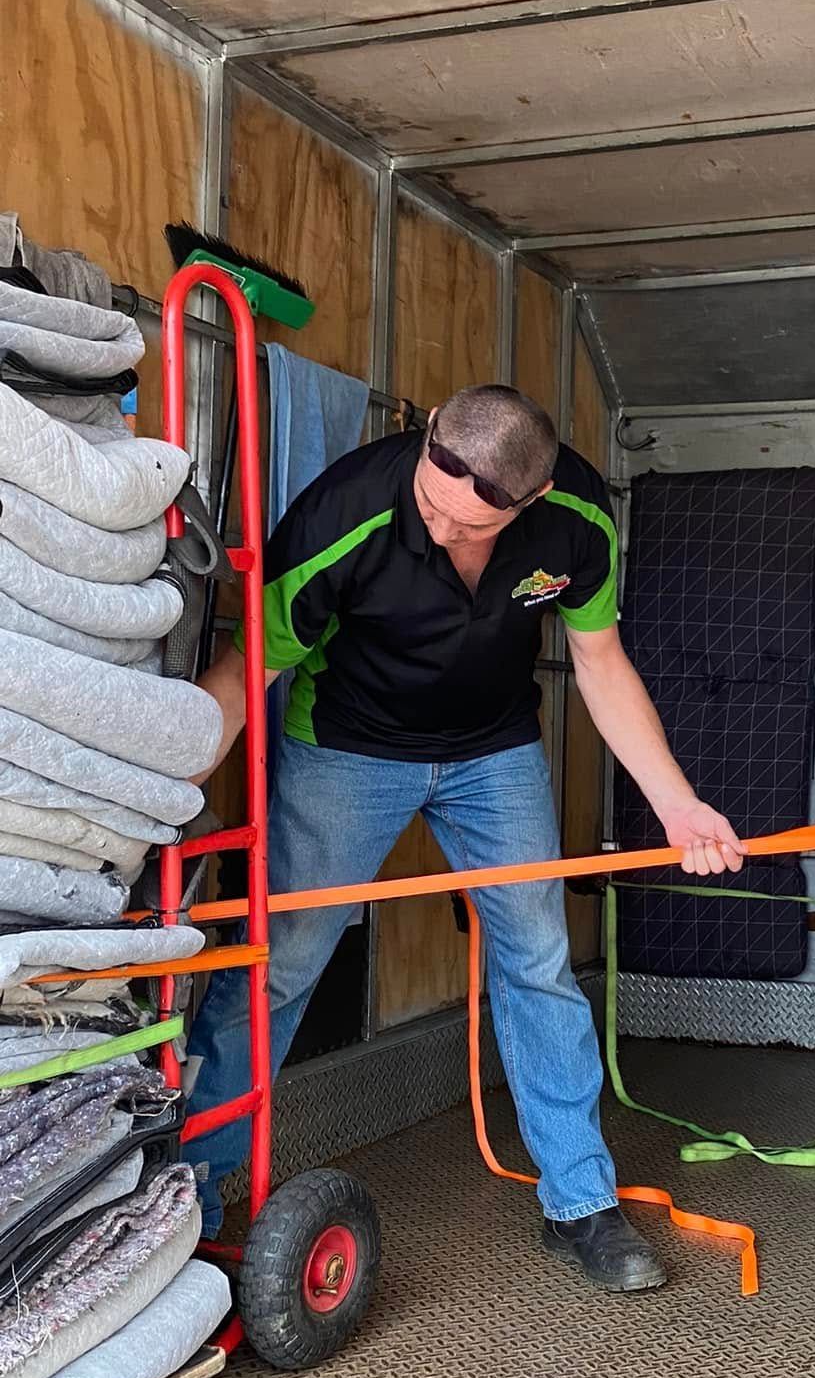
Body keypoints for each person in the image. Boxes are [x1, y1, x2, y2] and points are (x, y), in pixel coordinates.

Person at [182, 383, 743, 1293]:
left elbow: (600, 661)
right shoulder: (340, 518)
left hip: (494, 752)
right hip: (348, 749)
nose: (441, 529)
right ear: (430, 436)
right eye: (431, 506)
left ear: (533, 497)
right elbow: (245, 672)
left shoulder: (577, 521)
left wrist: (679, 806)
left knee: (538, 962)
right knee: (278, 963)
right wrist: (156, 797)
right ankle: (188, 1198)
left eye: (470, 524)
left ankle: (580, 1203)